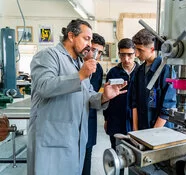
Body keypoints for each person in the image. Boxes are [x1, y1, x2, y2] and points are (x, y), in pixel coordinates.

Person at [27, 19, 127, 175]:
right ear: (71, 36)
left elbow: (87, 96)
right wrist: (80, 75)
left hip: (75, 139)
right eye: (86, 38)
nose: (89, 44)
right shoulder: (48, 56)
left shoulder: (79, 63)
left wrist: (104, 97)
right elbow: (43, 87)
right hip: (51, 140)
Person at [131, 29, 176, 131]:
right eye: (135, 49)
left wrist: (153, 133)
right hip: (142, 128)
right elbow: (134, 103)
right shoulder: (139, 72)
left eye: (140, 50)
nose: (136, 54)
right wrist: (135, 129)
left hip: (161, 131)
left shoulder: (166, 71)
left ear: (152, 49)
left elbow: (167, 107)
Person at [103, 38, 140, 150]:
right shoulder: (113, 73)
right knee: (117, 155)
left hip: (135, 122)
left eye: (129, 55)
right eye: (122, 55)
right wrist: (106, 119)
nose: (126, 59)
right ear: (118, 54)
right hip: (115, 120)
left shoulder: (141, 72)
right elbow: (106, 98)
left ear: (135, 53)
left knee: (135, 157)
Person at [82, 33, 105, 175]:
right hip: (71, 120)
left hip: (89, 116)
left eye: (100, 52)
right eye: (94, 50)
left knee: (87, 153)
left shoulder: (98, 69)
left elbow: (92, 96)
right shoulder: (75, 65)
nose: (96, 55)